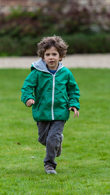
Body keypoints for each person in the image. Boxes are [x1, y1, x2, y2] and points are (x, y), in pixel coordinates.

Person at [21, 35, 80, 174]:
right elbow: (27, 87)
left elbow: (73, 89)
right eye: (48, 54)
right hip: (42, 112)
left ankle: (49, 165)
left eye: (54, 54)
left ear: (61, 56)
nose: (51, 57)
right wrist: (28, 98)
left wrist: (74, 104)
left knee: (52, 138)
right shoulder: (37, 73)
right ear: (43, 56)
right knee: (44, 140)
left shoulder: (65, 73)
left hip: (60, 112)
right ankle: (57, 143)